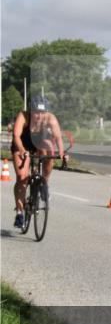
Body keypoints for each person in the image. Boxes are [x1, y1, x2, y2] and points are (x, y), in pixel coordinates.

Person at [11, 95, 65, 229]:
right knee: (22, 177)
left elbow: (58, 138)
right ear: (31, 111)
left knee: (49, 150)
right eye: (36, 113)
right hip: (21, 144)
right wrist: (23, 151)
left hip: (38, 142)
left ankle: (44, 183)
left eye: (43, 113)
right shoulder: (23, 116)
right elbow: (16, 136)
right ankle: (19, 213)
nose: (40, 116)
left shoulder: (51, 119)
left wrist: (62, 154)